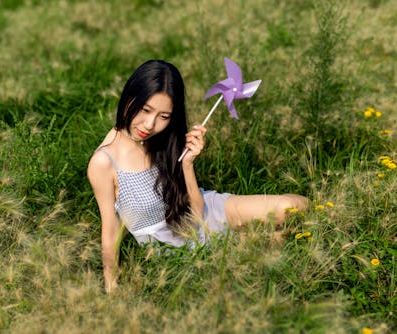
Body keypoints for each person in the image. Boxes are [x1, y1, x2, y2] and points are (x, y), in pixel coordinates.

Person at [87, 59, 308, 293]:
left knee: (294, 207)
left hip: (202, 211)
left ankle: (250, 230)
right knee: (282, 239)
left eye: (164, 116)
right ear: (131, 97)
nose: (150, 125)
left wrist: (187, 164)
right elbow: (110, 229)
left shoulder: (164, 140)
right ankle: (249, 236)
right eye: (145, 110)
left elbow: (195, 211)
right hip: (175, 244)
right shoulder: (104, 162)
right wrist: (111, 287)